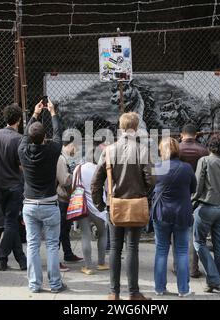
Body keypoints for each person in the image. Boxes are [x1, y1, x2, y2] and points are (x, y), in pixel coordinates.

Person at [91, 112, 155, 300]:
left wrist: (101, 204)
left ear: (120, 128)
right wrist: (143, 194)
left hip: (114, 206)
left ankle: (114, 293)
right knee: (132, 248)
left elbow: (96, 181)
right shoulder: (143, 150)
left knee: (116, 249)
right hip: (136, 205)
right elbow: (151, 179)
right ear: (136, 128)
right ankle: (134, 293)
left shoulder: (108, 150)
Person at [18, 99, 67, 293]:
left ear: (30, 138)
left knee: (32, 245)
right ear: (44, 137)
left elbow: (24, 135)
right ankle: (55, 284)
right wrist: (53, 113)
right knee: (53, 245)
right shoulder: (52, 151)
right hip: (49, 204)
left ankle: (34, 284)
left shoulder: (22, 151)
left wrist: (35, 114)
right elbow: (58, 136)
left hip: (29, 204)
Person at [152, 137, 197, 297]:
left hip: (161, 213)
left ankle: (159, 288)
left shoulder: (157, 167)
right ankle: (183, 290)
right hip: (182, 213)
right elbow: (194, 188)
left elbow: (150, 187)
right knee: (182, 251)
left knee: (161, 250)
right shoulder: (187, 168)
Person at [0, 104, 27, 271]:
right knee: (11, 222)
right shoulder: (18, 139)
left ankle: (21, 260)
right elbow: (21, 166)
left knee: (10, 222)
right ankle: (2, 259)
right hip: (13, 186)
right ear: (18, 120)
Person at [192, 133, 220, 293]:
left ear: (210, 146)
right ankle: (219, 282)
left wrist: (191, 203)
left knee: (198, 242)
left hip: (206, 207)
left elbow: (198, 186)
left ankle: (213, 278)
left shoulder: (204, 161)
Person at [178, 123, 209, 278]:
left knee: (176, 232)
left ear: (181, 135)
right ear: (196, 135)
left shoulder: (176, 149)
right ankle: (192, 268)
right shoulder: (204, 151)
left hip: (177, 194)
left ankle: (178, 267)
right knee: (193, 233)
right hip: (197, 196)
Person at [73, 145, 108, 275]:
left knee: (85, 235)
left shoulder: (79, 168)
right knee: (103, 233)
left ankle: (88, 267)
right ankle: (101, 262)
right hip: (99, 207)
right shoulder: (101, 169)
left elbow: (73, 185)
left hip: (83, 208)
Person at [57, 139, 83, 271]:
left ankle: (68, 253)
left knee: (65, 228)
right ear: (71, 145)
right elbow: (64, 179)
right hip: (62, 197)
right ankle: (57, 260)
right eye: (76, 147)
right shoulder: (61, 158)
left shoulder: (63, 157)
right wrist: (76, 178)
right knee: (61, 228)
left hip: (65, 198)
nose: (76, 150)